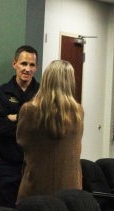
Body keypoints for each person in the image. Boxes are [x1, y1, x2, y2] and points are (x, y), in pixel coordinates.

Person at [16, 60, 84, 201]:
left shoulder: (29, 109)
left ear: (46, 79)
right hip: (71, 188)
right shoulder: (78, 111)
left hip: (37, 185)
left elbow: (21, 141)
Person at [0, 45, 39, 207]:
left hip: (34, 164)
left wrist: (14, 117)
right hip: (6, 165)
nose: (27, 69)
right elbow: (0, 128)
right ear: (14, 64)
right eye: (23, 64)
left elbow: (43, 129)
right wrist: (29, 119)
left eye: (32, 65)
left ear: (36, 68)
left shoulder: (43, 94)